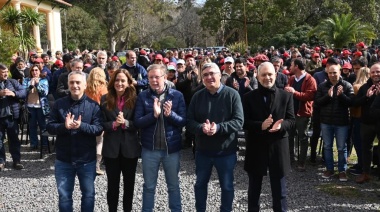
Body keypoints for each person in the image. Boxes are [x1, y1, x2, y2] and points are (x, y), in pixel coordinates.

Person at [187, 62, 244, 212]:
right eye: (205, 75)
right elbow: (189, 122)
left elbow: (239, 121)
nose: (209, 77)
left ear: (220, 75)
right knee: (200, 185)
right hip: (203, 151)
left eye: (212, 73)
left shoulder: (232, 95)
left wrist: (218, 128)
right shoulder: (197, 96)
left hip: (225, 151)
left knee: (227, 186)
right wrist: (201, 127)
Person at [46, 71, 103, 211]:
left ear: (85, 85)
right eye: (71, 82)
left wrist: (81, 126)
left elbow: (98, 129)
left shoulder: (94, 106)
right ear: (68, 84)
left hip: (87, 160)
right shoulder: (59, 104)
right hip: (64, 159)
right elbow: (49, 127)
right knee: (64, 196)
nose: (74, 85)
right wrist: (63, 126)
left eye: (78, 82)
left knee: (88, 195)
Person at [243, 62, 295, 212]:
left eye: (270, 74)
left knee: (280, 192)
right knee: (254, 191)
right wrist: (260, 125)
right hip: (256, 147)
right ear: (257, 77)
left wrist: (281, 126)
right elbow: (244, 122)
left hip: (278, 147)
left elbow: (292, 120)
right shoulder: (248, 97)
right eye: (264, 75)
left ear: (276, 75)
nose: (267, 78)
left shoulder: (286, 96)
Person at [134, 64, 186, 212]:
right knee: (149, 186)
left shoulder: (177, 96)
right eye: (151, 77)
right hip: (150, 150)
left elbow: (183, 121)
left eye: (157, 77)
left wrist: (171, 115)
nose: (154, 80)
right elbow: (137, 122)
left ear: (164, 77)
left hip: (171, 149)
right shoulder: (143, 96)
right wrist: (154, 115)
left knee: (173, 186)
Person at [100, 69, 141, 212]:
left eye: (123, 80)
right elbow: (100, 124)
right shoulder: (105, 99)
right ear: (112, 82)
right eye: (117, 80)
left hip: (130, 149)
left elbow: (139, 123)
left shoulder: (136, 100)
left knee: (129, 186)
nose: (119, 83)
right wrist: (114, 125)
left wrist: (125, 123)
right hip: (111, 149)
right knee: (112, 186)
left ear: (129, 83)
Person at [315, 64, 354, 181]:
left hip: (341, 122)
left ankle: (342, 170)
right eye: (330, 73)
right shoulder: (322, 86)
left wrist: (341, 96)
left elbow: (351, 103)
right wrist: (328, 96)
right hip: (326, 121)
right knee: (327, 146)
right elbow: (317, 102)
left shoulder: (346, 85)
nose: (332, 75)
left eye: (334, 73)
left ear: (340, 72)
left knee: (342, 147)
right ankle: (329, 169)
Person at [285, 59, 317, 169]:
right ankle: (290, 160)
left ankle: (302, 162)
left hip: (303, 113)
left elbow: (310, 96)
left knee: (303, 137)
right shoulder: (292, 78)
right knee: (289, 137)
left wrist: (294, 93)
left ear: (297, 66)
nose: (290, 67)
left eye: (291, 65)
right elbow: (287, 90)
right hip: (291, 113)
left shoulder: (310, 79)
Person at [0, 63, 27, 171]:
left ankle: (16, 161)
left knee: (14, 140)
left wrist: (14, 93)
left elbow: (24, 92)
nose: (6, 74)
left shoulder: (13, 82)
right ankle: (1, 161)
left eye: (7, 72)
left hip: (11, 117)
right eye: (3, 72)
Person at [84, 67, 108, 175]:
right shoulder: (104, 89)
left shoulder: (85, 88)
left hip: (87, 117)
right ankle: (96, 166)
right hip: (99, 118)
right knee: (99, 142)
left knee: (88, 141)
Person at [22, 64, 50, 150]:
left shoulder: (44, 80)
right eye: (33, 70)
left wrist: (37, 84)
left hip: (41, 107)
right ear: (30, 72)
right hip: (30, 106)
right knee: (32, 126)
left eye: (36, 70)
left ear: (39, 71)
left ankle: (44, 144)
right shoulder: (26, 80)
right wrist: (30, 86)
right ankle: (34, 144)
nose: (34, 72)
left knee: (43, 126)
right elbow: (23, 93)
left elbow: (44, 93)